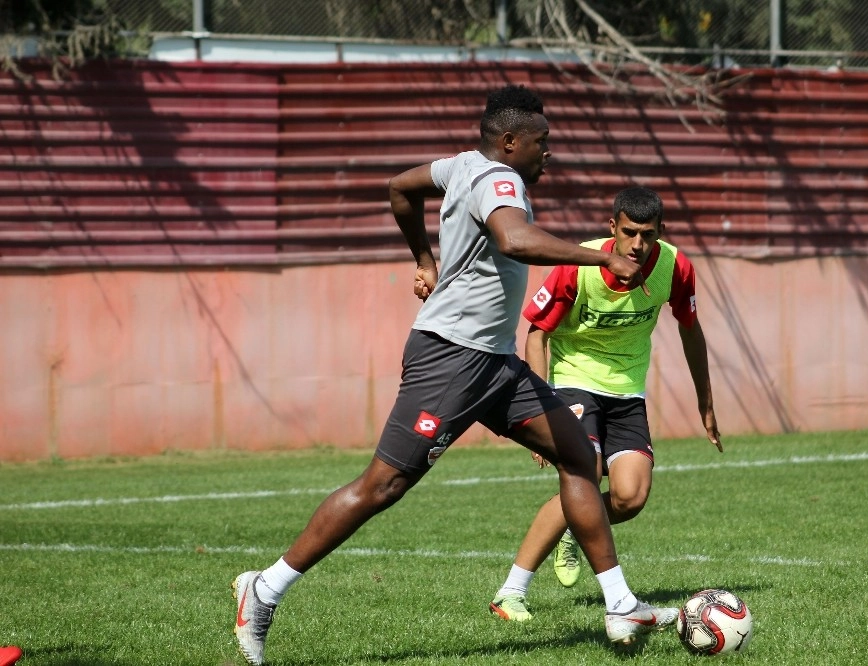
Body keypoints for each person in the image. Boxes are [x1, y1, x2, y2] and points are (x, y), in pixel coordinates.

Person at [231, 85, 678, 666]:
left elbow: (399, 188)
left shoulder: (460, 166)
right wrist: (601, 257)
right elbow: (512, 238)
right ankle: (264, 589)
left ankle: (621, 603)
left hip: (493, 362)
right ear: (511, 142)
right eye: (542, 142)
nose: (549, 152)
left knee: (577, 456)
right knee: (381, 487)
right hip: (451, 358)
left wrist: (423, 257)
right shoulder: (500, 180)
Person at [489, 186, 722, 622]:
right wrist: (540, 407)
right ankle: (510, 592)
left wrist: (705, 402)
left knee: (631, 496)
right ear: (611, 227)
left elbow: (691, 329)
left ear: (660, 233)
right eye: (629, 232)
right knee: (585, 471)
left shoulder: (675, 267)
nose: (637, 244)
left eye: (647, 234)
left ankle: (576, 532)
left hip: (627, 391)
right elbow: (537, 333)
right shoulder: (580, 264)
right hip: (573, 382)